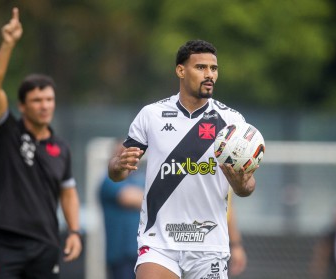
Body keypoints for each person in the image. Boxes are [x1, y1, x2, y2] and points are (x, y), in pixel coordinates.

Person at [108, 39, 257, 279]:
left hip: (209, 246)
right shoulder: (151, 115)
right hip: (159, 243)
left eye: (214, 68)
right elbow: (117, 172)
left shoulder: (232, 122)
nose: (209, 75)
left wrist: (241, 184)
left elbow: (247, 186)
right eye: (201, 67)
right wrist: (117, 165)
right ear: (180, 70)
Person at [0, 7, 82, 279]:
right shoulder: (7, 131)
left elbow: (68, 192)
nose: (44, 106)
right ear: (22, 106)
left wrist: (73, 230)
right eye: (37, 100)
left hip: (46, 245)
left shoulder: (61, 148)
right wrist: (8, 43)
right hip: (6, 244)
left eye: (49, 99)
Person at [100, 141, 146, 279]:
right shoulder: (108, 182)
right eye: (120, 154)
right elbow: (129, 197)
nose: (125, 157)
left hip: (143, 252)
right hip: (121, 255)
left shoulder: (142, 179)